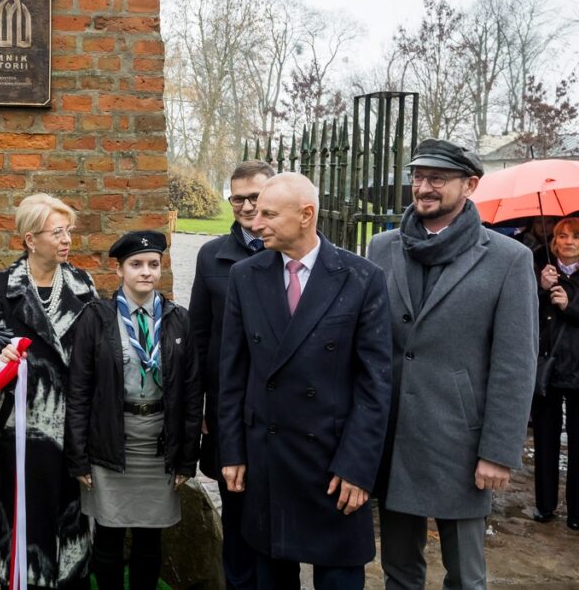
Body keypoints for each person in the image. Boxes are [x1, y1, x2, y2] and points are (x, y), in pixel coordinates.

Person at [367, 139, 538, 589]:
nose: (422, 187)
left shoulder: (509, 259)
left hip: (461, 445)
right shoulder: (381, 248)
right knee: (399, 572)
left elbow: (515, 364)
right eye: (418, 177)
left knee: (465, 576)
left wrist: (499, 452)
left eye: (437, 179)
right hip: (394, 438)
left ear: (470, 185)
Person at [218, 172, 392, 590]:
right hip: (268, 461)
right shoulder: (245, 276)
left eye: (268, 214)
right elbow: (232, 374)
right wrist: (233, 451)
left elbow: (376, 384)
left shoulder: (362, 278)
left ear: (306, 215)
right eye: (255, 211)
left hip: (333, 468)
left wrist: (357, 468)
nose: (255, 222)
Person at [66, 230, 201, 590]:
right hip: (112, 441)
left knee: (149, 540)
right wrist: (78, 457)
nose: (146, 272)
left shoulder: (177, 319)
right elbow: (78, 391)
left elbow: (191, 392)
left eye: (153, 265)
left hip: (158, 445)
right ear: (120, 271)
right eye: (136, 265)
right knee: (108, 538)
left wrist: (187, 458)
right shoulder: (97, 318)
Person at [0, 193, 99, 589]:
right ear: (31, 239)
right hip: (18, 426)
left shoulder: (84, 286)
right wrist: (1, 350)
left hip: (71, 425)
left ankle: (66, 581)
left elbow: (96, 351)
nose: (66, 240)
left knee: (68, 511)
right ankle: (17, 579)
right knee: (19, 507)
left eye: (69, 231)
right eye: (57, 232)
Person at [189, 160, 274, 590]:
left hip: (281, 408)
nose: (244, 206)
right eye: (237, 198)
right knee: (236, 505)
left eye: (254, 198)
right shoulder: (212, 256)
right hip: (230, 407)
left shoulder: (291, 250)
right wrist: (202, 405)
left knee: (278, 509)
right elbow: (199, 338)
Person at [532, 217, 579, 530]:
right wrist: (541, 288)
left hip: (578, 369)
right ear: (553, 241)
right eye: (562, 235)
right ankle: (545, 505)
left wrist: (569, 307)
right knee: (545, 440)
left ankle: (576, 512)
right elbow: (519, 312)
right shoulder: (540, 268)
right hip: (546, 367)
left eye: (576, 236)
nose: (569, 241)